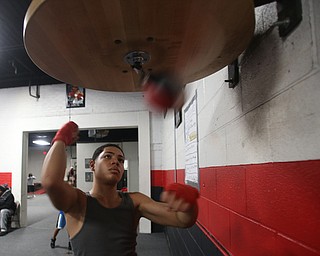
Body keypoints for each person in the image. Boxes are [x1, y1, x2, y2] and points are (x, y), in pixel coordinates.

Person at [41, 121, 199, 255]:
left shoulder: (134, 201)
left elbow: (182, 219)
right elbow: (51, 182)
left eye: (121, 160)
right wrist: (60, 140)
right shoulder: (78, 202)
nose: (116, 162)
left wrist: (189, 205)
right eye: (107, 156)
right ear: (92, 165)